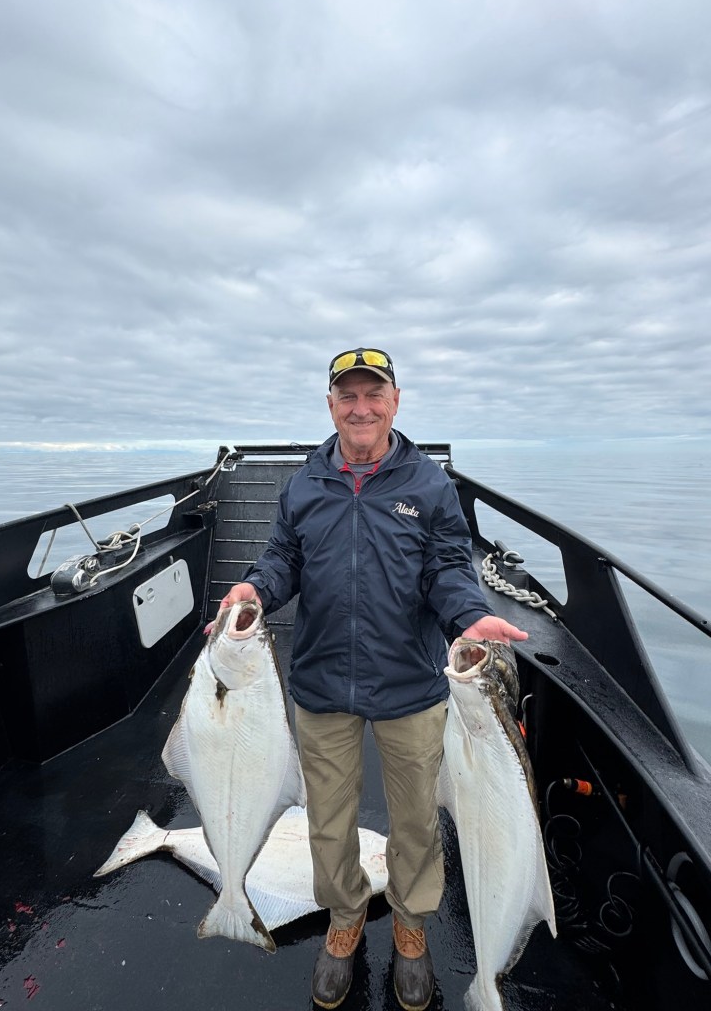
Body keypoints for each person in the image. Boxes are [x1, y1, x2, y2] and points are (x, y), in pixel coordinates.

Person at [219, 347, 527, 1011]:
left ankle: (411, 929)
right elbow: (283, 558)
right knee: (328, 821)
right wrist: (255, 588)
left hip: (409, 682)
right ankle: (345, 917)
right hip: (322, 679)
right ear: (331, 405)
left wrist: (469, 617)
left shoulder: (429, 485)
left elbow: (448, 567)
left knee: (416, 820)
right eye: (348, 396)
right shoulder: (304, 484)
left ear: (395, 401)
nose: (361, 408)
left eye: (373, 394)